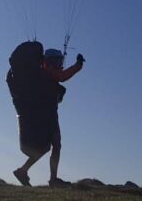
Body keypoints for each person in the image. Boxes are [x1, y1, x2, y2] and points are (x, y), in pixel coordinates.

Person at [13, 50, 84, 187]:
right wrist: (78, 65)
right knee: (55, 145)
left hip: (44, 116)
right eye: (58, 60)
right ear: (50, 61)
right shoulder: (48, 71)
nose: (60, 62)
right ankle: (52, 179)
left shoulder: (42, 72)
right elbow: (62, 76)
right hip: (48, 117)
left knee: (45, 148)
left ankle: (23, 171)